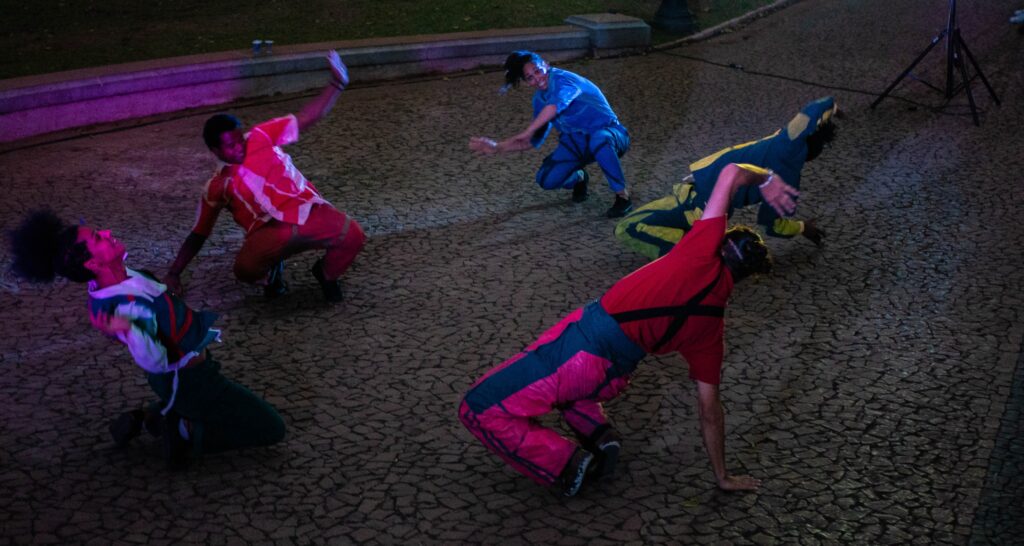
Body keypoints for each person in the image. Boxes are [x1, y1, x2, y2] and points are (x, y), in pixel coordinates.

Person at [459, 162, 798, 497]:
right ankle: (600, 436)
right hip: (612, 373)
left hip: (581, 347)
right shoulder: (712, 331)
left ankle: (569, 463)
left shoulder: (700, 251)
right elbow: (710, 410)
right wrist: (722, 475)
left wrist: (768, 178)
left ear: (720, 244)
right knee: (571, 390)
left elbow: (731, 172)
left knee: (478, 406)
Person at [9, 210, 286, 469]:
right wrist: (130, 328)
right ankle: (181, 432)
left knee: (193, 401)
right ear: (93, 262)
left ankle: (151, 417)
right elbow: (154, 360)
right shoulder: (125, 308)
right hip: (190, 380)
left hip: (184, 375)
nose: (106, 232)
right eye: (97, 238)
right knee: (271, 427)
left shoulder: (117, 278)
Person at [165, 51, 365, 303]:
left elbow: (308, 117)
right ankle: (272, 274)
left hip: (307, 213)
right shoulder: (216, 186)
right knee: (245, 270)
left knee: (353, 236)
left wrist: (337, 84)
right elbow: (199, 233)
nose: (240, 146)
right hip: (269, 233)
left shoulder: (261, 136)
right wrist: (174, 273)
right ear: (215, 150)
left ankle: (325, 274)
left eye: (240, 139)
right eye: (231, 146)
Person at [615, 97, 838, 260]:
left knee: (627, 228)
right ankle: (700, 248)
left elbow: (813, 109)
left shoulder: (786, 140)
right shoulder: (789, 179)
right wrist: (802, 227)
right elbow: (774, 227)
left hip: (699, 204)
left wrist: (833, 106)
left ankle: (690, 257)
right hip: (707, 202)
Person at [469, 50, 634, 218]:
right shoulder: (539, 100)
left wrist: (529, 129)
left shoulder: (565, 80)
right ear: (526, 82)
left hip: (611, 135)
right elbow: (530, 141)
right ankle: (579, 177)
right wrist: (498, 147)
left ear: (546, 64)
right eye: (530, 78)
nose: (537, 79)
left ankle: (622, 197)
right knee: (546, 180)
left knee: (600, 140)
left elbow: (556, 105)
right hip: (576, 143)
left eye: (538, 71)